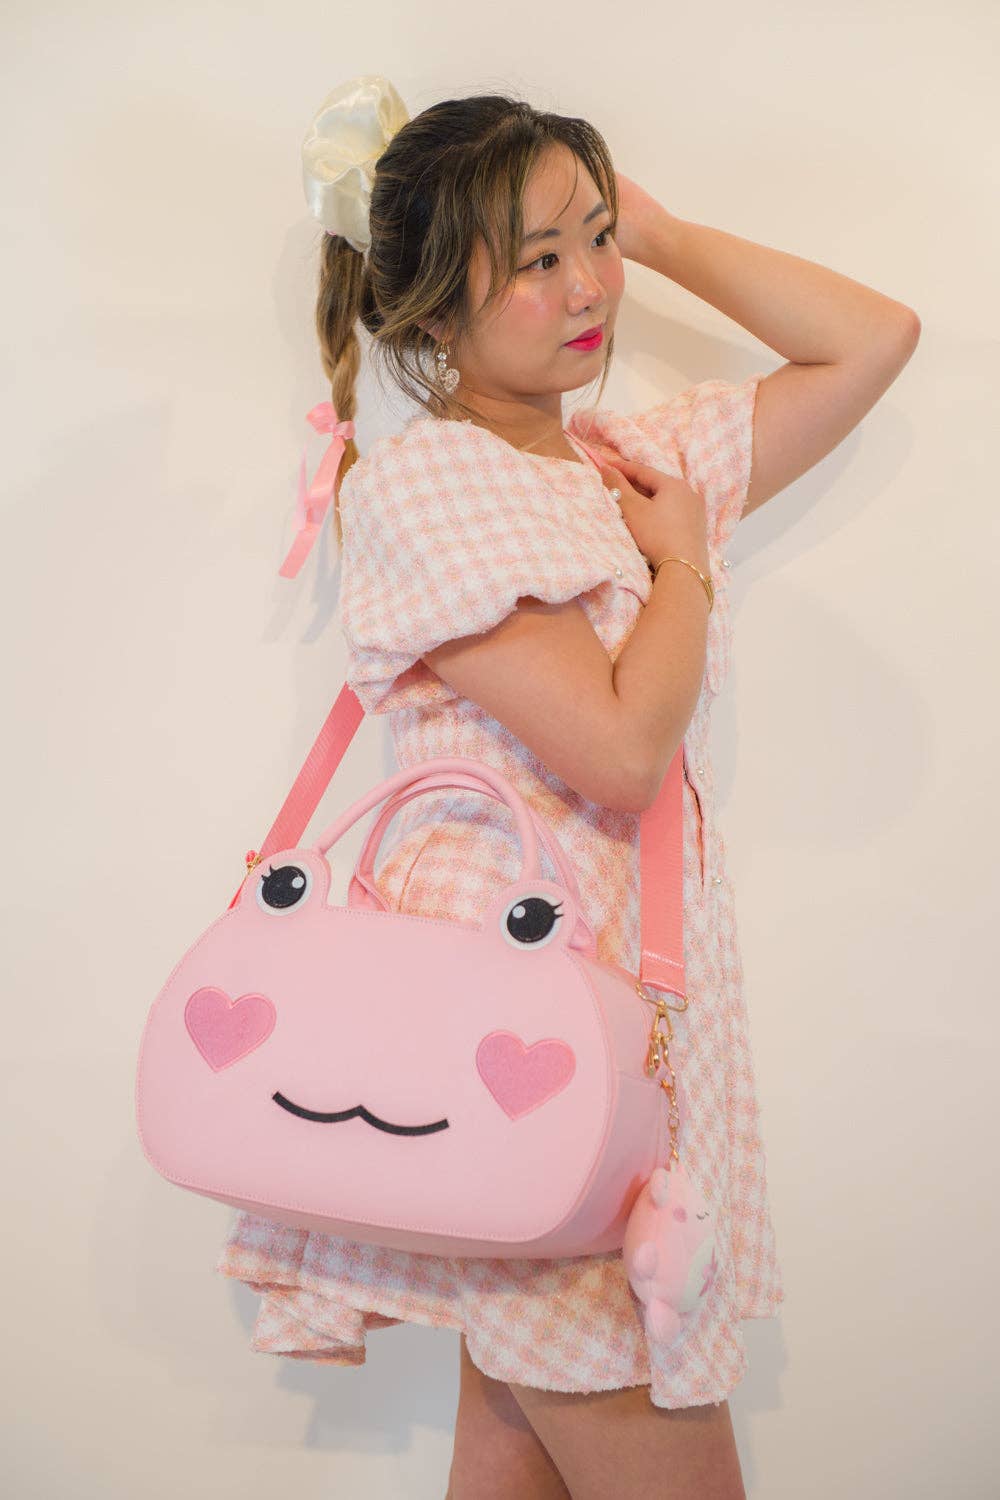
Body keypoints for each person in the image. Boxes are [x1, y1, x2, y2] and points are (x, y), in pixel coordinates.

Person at [215, 76, 920, 1500]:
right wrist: (686, 565)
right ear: (433, 308)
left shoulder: (626, 465)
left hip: (587, 1060)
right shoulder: (431, 485)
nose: (587, 286)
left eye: (591, 240)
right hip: (528, 1047)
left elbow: (872, 339)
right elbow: (617, 749)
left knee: (509, 1456)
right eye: (539, 259)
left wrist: (652, 232)